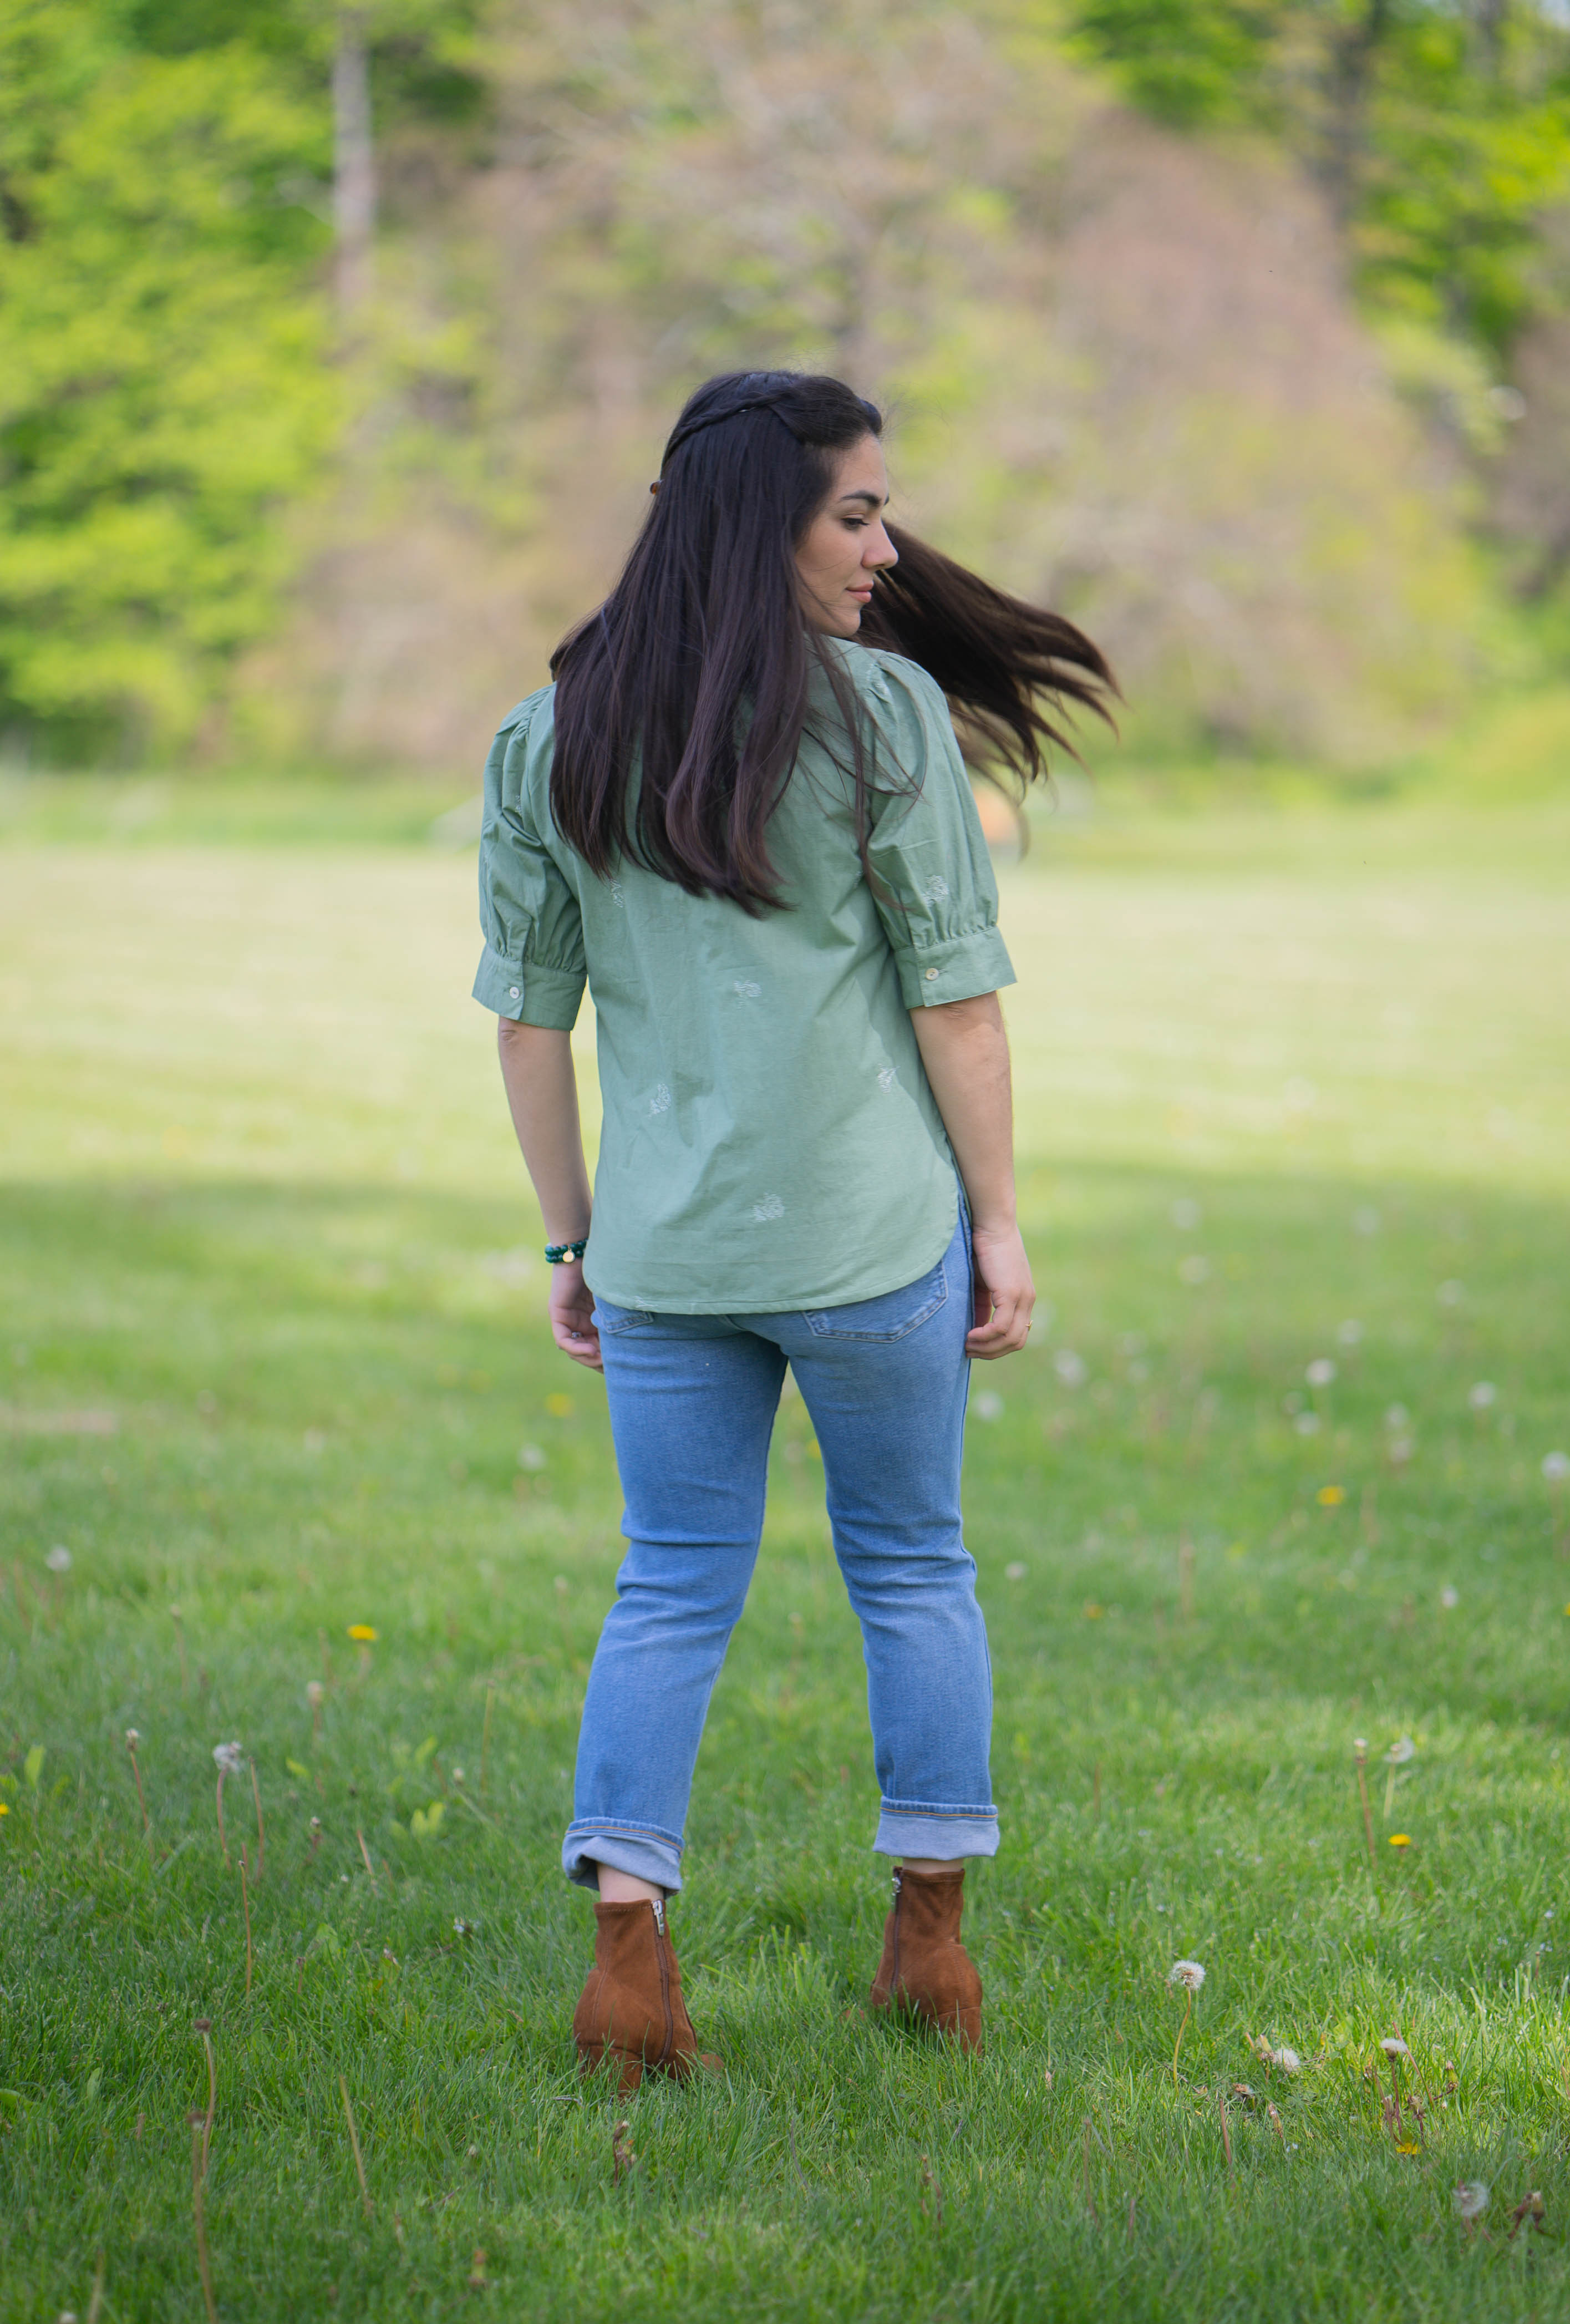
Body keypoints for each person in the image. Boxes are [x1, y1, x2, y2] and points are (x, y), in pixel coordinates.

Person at [475, 369, 1112, 2090]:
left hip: (667, 1257)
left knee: (670, 1586)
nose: (887, 550)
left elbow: (529, 1025)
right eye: (858, 514)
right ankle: (930, 1951)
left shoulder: (548, 734)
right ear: (770, 523)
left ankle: (627, 1965)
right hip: (872, 1244)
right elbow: (956, 1000)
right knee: (910, 1568)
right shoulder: (883, 716)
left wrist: (573, 1243)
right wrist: (1000, 1223)